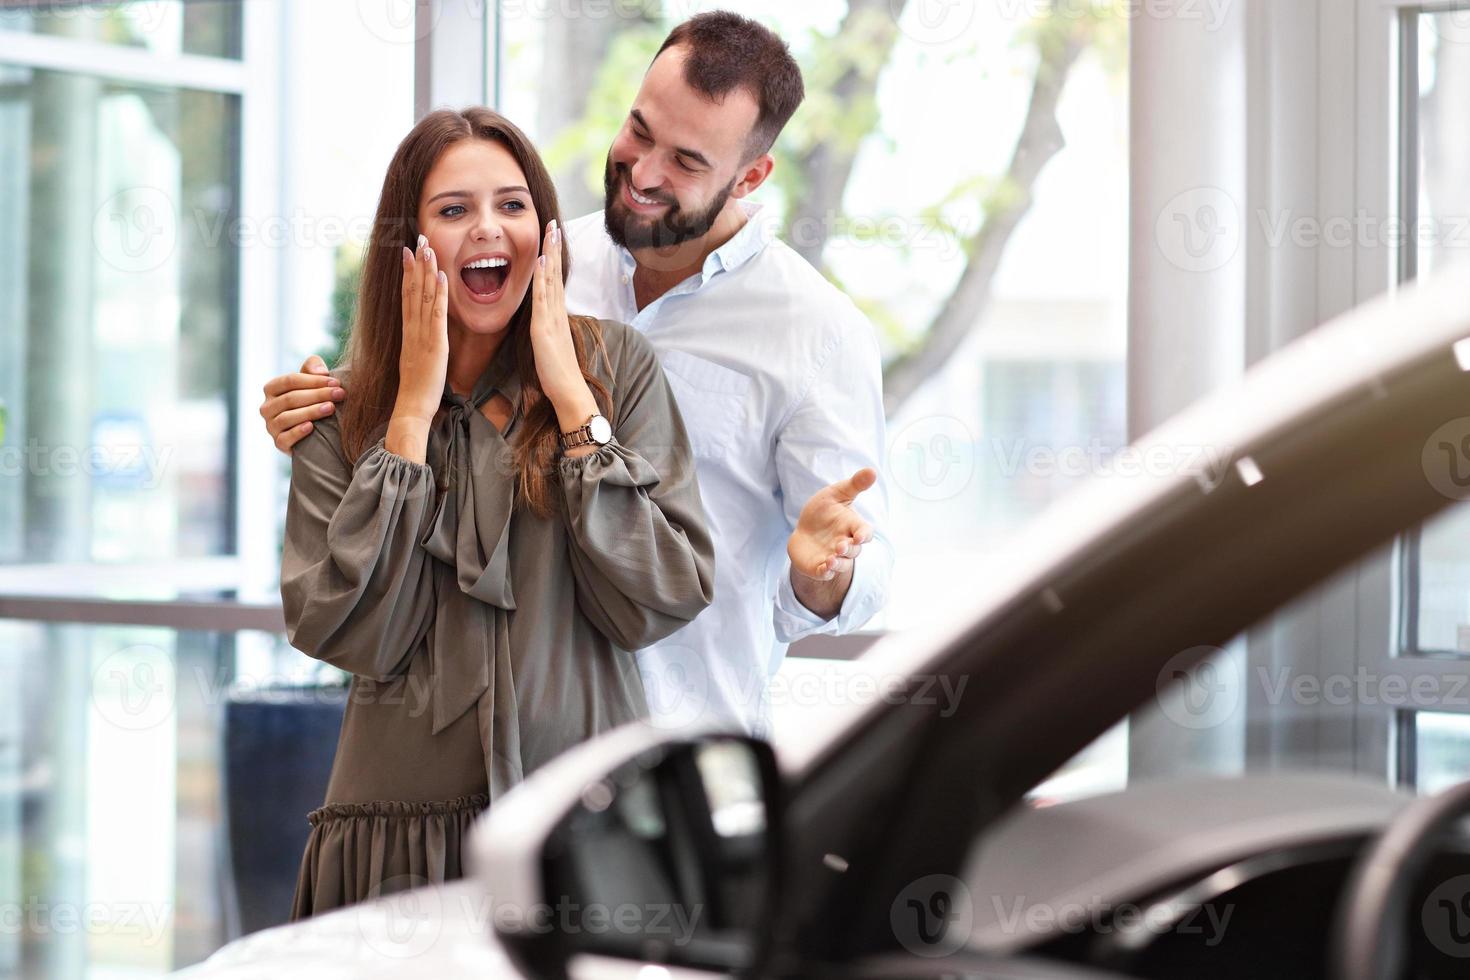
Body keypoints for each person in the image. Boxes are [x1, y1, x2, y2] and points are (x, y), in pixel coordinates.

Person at [262, 12, 891, 736]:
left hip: (681, 741)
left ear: (751, 175)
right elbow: (425, 410)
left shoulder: (817, 331)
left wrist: (822, 574)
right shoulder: (533, 260)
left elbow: (861, 565)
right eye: (640, 131)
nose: (645, 173)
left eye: (687, 161)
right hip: (515, 748)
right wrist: (320, 416)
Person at [279, 106, 714, 918]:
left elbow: (661, 597)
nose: (489, 229)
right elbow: (348, 632)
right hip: (397, 847)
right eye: (453, 210)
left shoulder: (617, 369)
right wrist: (408, 417)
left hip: (592, 831)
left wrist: (574, 403)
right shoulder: (338, 411)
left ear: (545, 233)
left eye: (513, 205)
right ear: (406, 246)